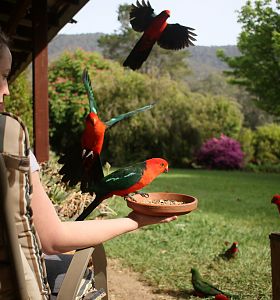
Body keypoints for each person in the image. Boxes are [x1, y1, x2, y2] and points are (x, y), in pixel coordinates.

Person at [0, 28, 177, 256]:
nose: (7, 91)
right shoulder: (9, 138)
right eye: (3, 76)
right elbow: (53, 239)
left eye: (7, 77)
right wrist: (136, 220)